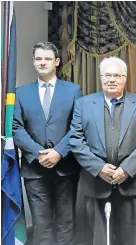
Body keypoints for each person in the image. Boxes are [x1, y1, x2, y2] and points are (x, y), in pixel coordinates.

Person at [69, 57, 136, 245]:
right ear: (100, 77)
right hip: (95, 183)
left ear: (125, 78)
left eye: (117, 75)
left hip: (131, 184)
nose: (111, 79)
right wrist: (99, 168)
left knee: (132, 238)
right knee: (98, 239)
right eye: (107, 75)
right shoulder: (83, 104)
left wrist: (127, 169)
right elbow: (75, 139)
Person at [12, 41, 82, 245]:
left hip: (66, 168)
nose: (43, 63)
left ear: (57, 62)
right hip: (35, 168)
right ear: (34, 62)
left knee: (66, 223)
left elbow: (77, 127)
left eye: (47, 59)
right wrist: (40, 153)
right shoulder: (20, 92)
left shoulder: (73, 90)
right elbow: (16, 127)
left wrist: (59, 152)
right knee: (41, 226)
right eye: (38, 59)